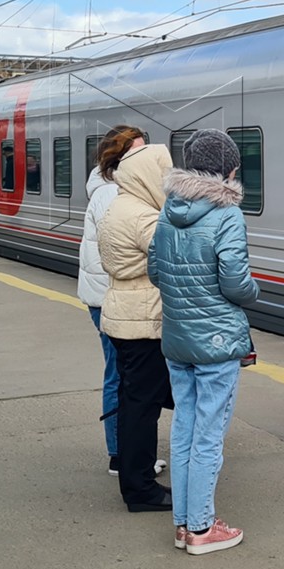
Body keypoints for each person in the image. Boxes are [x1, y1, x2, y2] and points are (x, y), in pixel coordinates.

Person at [150, 129, 260, 555]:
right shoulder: (227, 214)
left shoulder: (167, 210)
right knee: (209, 436)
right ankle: (201, 528)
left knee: (183, 430)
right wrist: (254, 292)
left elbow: (156, 273)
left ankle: (183, 524)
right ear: (229, 170)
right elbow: (235, 281)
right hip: (216, 341)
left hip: (177, 338)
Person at [96, 138, 175, 512]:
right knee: (143, 409)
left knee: (133, 404)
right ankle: (141, 489)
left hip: (123, 314)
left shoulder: (119, 206)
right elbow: (170, 262)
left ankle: (134, 479)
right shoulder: (144, 217)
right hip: (142, 321)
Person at [79, 125, 144, 477]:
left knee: (121, 373)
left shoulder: (106, 190)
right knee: (120, 376)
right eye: (138, 152)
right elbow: (121, 250)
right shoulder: (111, 195)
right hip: (110, 298)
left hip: (105, 296)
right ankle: (120, 454)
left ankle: (124, 451)